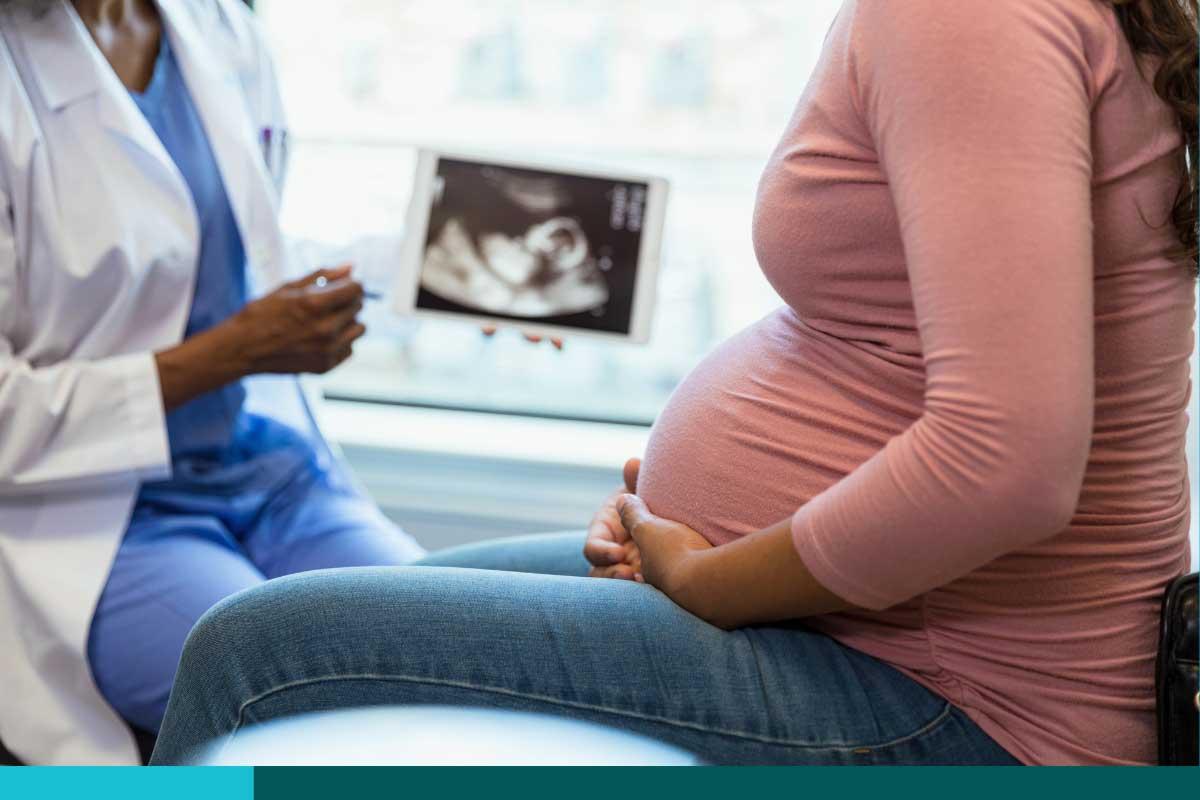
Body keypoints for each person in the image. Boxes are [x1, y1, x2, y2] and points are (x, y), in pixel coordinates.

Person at [155, 0, 1192, 766]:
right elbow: (904, 347)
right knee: (351, 612)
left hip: (968, 700)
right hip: (875, 628)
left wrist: (709, 574)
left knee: (259, 656)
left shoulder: (965, 17)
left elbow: (1006, 463)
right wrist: (710, 502)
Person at [0, 0, 438, 765]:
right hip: (89, 512)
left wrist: (439, 277)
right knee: (310, 719)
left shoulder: (214, 22)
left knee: (461, 662)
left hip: (265, 469)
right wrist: (231, 353)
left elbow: (222, 251)